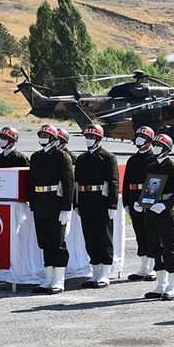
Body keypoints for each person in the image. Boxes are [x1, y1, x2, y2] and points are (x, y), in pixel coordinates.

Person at [133, 134, 174, 300]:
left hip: (166, 212)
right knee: (155, 248)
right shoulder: (151, 167)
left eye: (159, 145)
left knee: (169, 248)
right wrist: (141, 203)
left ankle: (173, 285)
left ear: (167, 149)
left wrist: (164, 205)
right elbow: (149, 189)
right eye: (154, 144)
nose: (155, 147)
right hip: (151, 212)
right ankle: (161, 284)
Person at [28, 124, 74, 294]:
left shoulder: (61, 157)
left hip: (56, 203)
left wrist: (66, 208)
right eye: (41, 134)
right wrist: (32, 205)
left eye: (46, 135)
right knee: (45, 242)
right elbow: (31, 183)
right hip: (40, 204)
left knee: (58, 243)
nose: (43, 137)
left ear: (54, 138)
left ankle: (59, 279)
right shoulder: (35, 156)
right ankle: (48, 278)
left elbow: (68, 184)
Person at [75, 124, 119, 289]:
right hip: (86, 202)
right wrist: (76, 203)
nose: (88, 140)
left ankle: (105, 274)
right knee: (90, 238)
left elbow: (114, 182)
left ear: (99, 139)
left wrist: (112, 205)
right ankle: (95, 272)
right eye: (87, 136)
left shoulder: (108, 157)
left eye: (92, 137)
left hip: (101, 202)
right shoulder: (82, 159)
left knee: (104, 238)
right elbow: (76, 183)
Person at [123, 126, 158, 281]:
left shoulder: (153, 159)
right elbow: (126, 184)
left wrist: (146, 202)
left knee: (151, 234)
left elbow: (154, 183)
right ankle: (143, 267)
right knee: (140, 234)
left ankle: (153, 267)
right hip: (134, 199)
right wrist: (127, 203)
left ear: (149, 140)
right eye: (138, 136)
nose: (139, 139)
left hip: (148, 201)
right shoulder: (132, 159)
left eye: (142, 137)